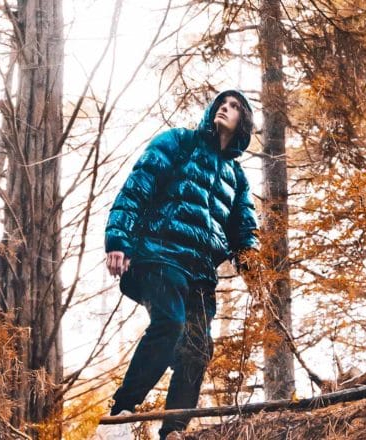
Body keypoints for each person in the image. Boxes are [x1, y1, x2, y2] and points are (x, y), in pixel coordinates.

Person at [100, 89, 259, 439]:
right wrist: (118, 241)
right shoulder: (178, 142)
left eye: (234, 107)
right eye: (222, 103)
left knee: (198, 349)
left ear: (242, 122)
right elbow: (137, 186)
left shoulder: (237, 177)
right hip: (159, 254)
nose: (224, 108)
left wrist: (254, 269)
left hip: (201, 273)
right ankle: (120, 414)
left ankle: (174, 430)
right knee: (170, 323)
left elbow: (245, 229)